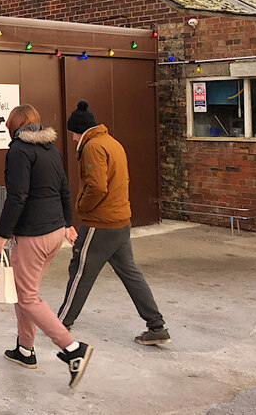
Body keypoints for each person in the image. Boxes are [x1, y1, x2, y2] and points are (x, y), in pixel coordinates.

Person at [0, 104, 92, 388]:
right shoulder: (51, 149)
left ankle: (73, 350)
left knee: (27, 297)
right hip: (54, 233)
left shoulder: (18, 151)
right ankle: (25, 350)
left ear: (13, 124)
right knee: (26, 292)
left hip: (32, 235)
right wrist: (67, 223)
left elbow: (17, 196)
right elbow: (65, 189)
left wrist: (3, 233)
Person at [57, 100, 171, 346]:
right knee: (131, 274)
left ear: (80, 130)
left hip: (100, 222)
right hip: (121, 220)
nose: (73, 140)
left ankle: (61, 322)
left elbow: (97, 186)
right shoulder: (113, 143)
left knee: (80, 271)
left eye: (73, 134)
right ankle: (157, 325)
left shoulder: (93, 147)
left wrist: (82, 208)